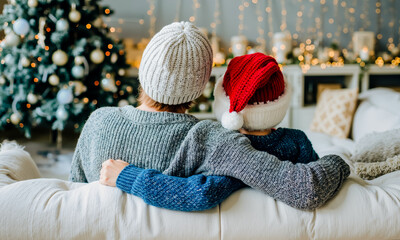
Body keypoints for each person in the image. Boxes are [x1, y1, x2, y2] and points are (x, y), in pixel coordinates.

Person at [70, 22, 350, 211]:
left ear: (144, 70)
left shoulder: (98, 121)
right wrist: (343, 160)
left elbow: (72, 194)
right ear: (202, 86)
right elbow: (305, 189)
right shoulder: (212, 139)